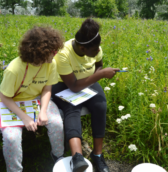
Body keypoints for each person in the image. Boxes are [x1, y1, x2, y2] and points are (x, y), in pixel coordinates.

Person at [52, 18, 119, 172]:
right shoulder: (63, 53)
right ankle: (77, 158)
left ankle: (97, 155)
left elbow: (99, 65)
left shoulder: (95, 48)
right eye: (94, 50)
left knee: (100, 105)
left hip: (86, 83)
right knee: (72, 108)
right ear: (82, 49)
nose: (98, 51)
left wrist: (97, 74)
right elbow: (73, 86)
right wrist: (100, 75)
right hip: (63, 85)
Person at [0, 26, 65, 172]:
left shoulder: (51, 64)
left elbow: (47, 89)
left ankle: (58, 156)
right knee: (11, 138)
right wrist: (24, 117)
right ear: (40, 52)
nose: (56, 54)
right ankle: (14, 170)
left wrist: (43, 111)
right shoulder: (14, 69)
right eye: (53, 51)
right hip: (13, 103)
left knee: (56, 123)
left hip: (36, 100)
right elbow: (4, 97)